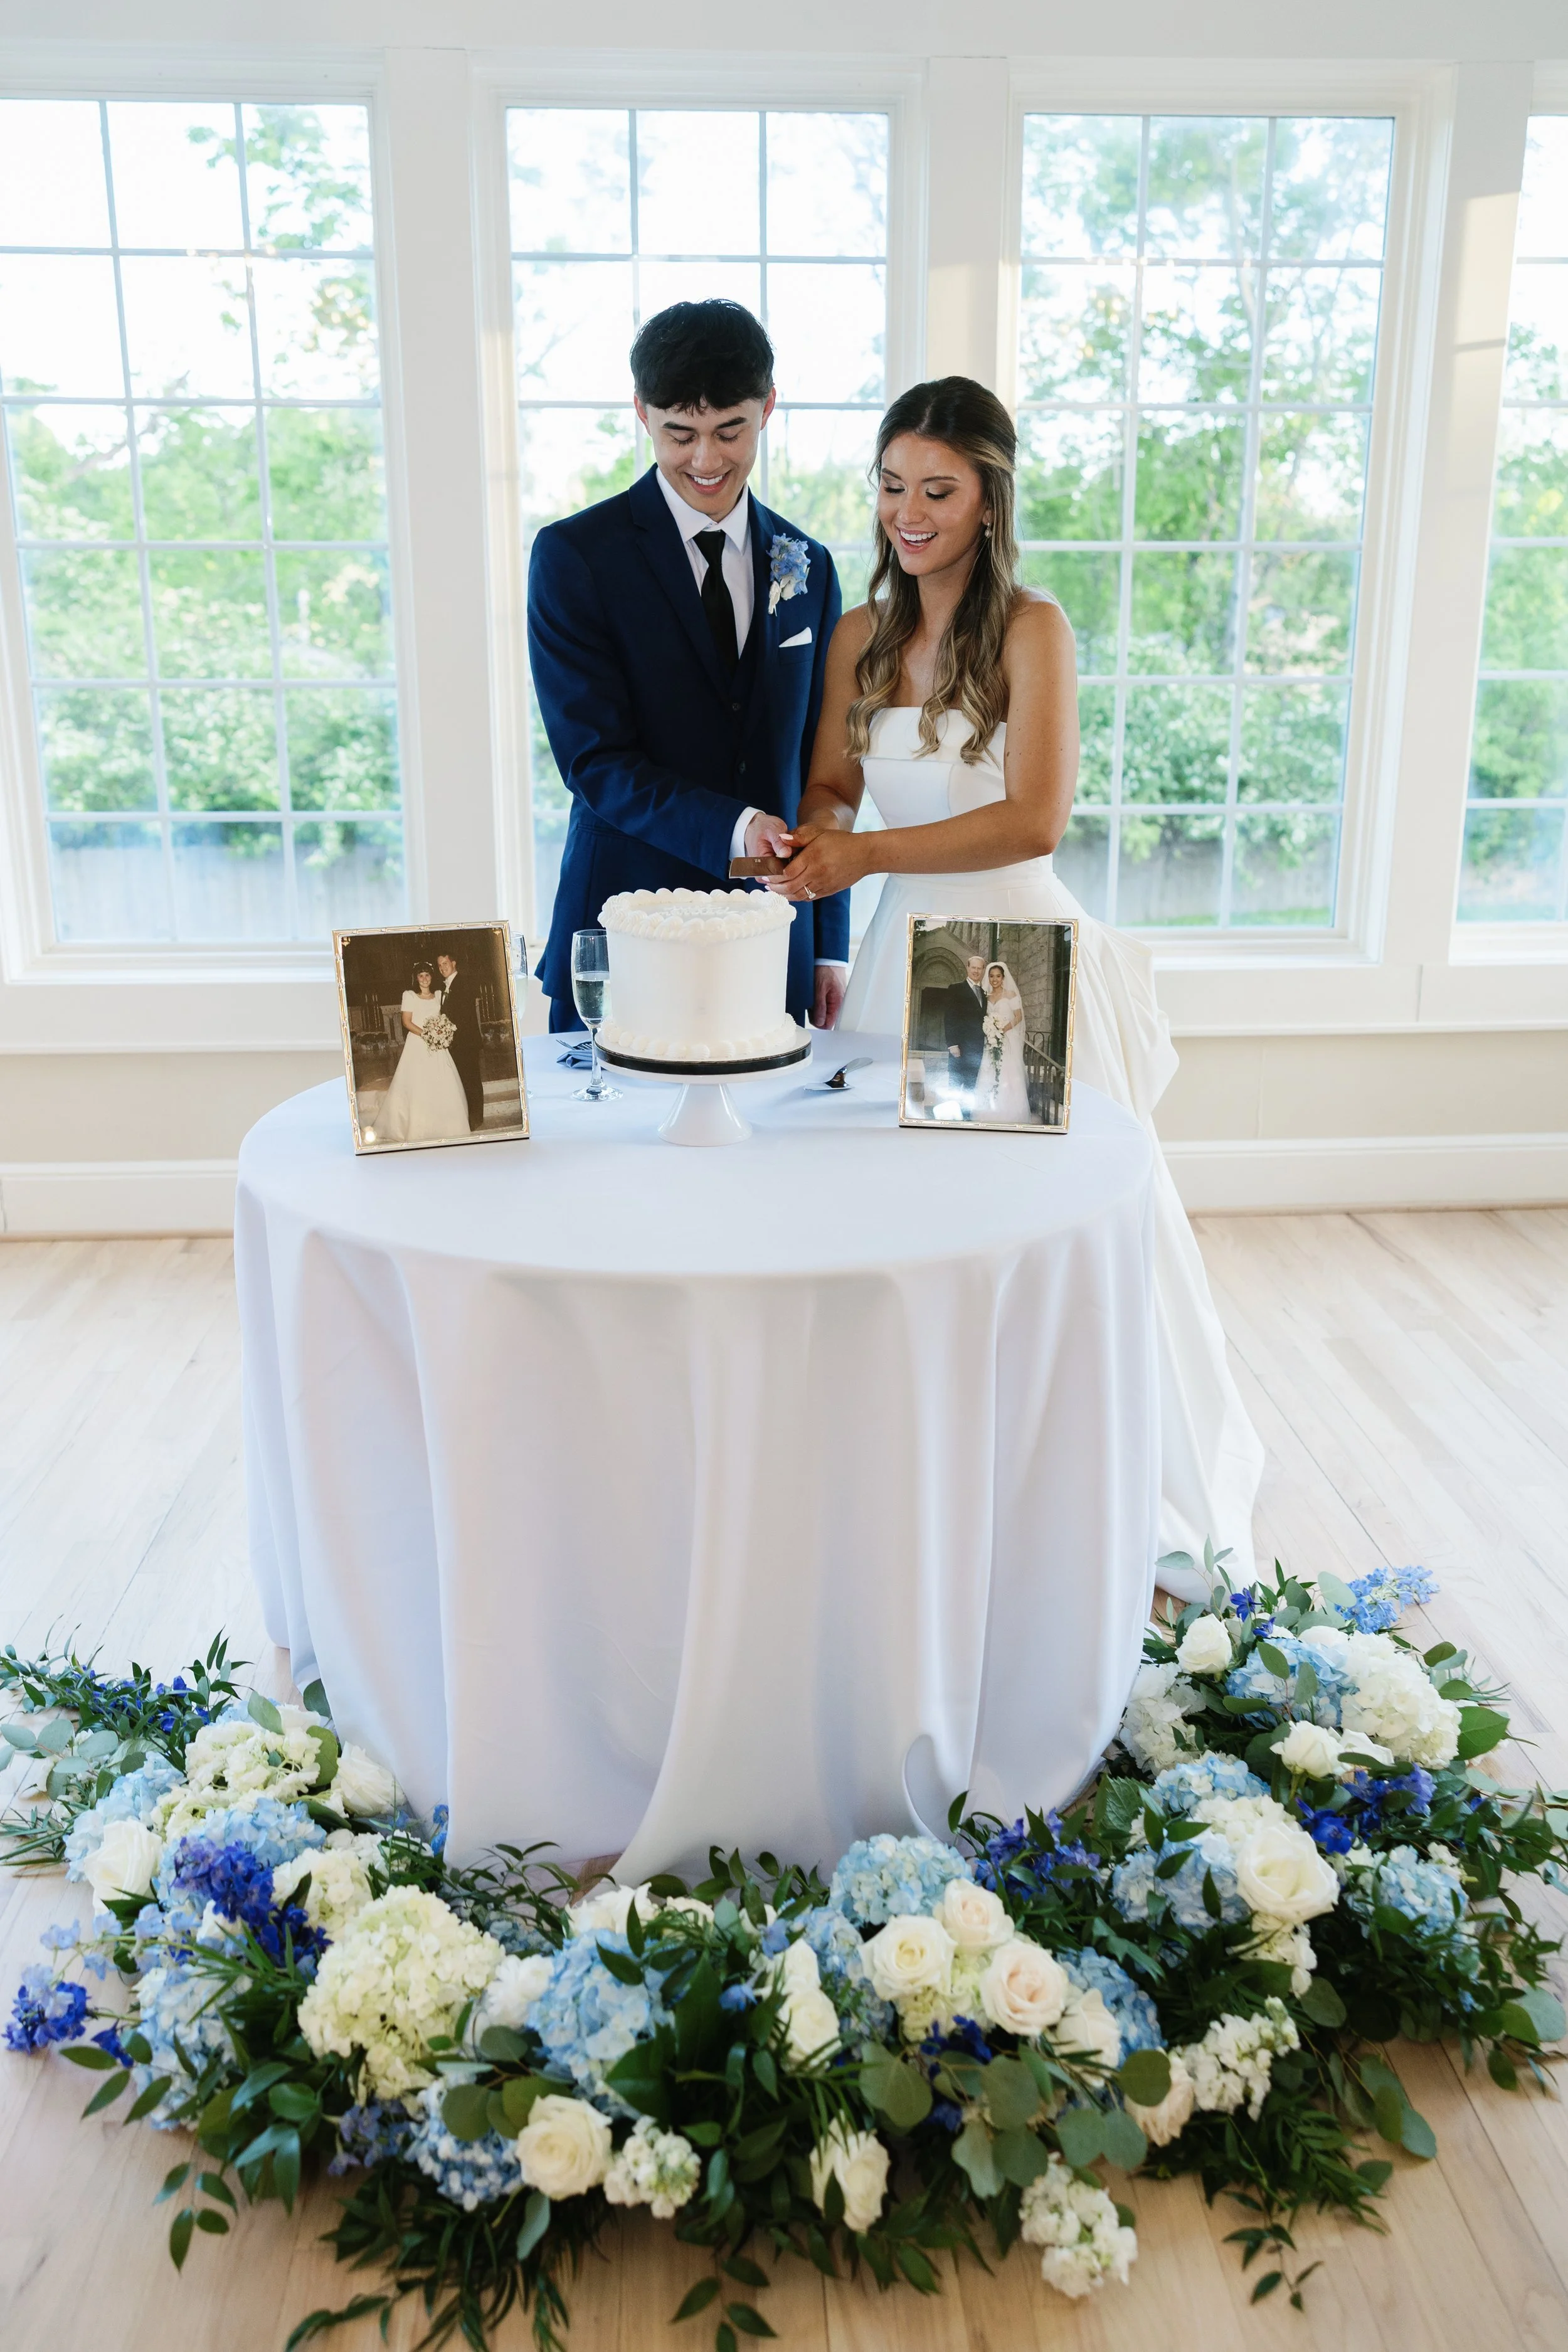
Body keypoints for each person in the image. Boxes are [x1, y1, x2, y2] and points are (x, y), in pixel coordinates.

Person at [771, 375, 1264, 1591]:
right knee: (906, 1238)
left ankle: (1072, 1498)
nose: (907, 513)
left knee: (1043, 1241)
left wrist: (865, 852)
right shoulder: (856, 637)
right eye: (890, 487)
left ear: (989, 500)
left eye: (936, 490)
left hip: (1005, 965)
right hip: (898, 960)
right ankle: (927, 1494)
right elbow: (831, 787)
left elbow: (1032, 820)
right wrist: (819, 834)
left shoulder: (1032, 628)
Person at [527, 299, 849, 1033]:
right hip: (625, 933)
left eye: (730, 430)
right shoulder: (576, 558)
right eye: (680, 433)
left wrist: (828, 943)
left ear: (767, 408)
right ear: (641, 412)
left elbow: (820, 764)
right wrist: (738, 829)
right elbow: (596, 762)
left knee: (772, 1146)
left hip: (775, 939)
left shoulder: (810, 565)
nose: (706, 460)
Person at [379, 960, 470, 1144]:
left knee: (443, 1083)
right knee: (419, 1085)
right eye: (421, 975)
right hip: (418, 1044)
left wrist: (441, 1034)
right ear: (416, 978)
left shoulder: (438, 995)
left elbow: (444, 1017)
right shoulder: (410, 995)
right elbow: (407, 1022)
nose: (425, 979)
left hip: (438, 1046)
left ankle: (447, 1125)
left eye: (428, 974)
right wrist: (428, 1035)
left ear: (432, 977)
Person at [435, 949, 485, 1132]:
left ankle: (476, 1119)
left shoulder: (463, 982)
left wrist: (447, 1029)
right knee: (463, 1082)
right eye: (439, 965)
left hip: (467, 1042)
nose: (442, 968)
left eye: (445, 964)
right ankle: (468, 1117)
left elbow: (463, 1014)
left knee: (471, 1081)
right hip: (456, 1044)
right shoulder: (445, 987)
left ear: (454, 963)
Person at [976, 960, 1030, 1124]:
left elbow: (1019, 1017)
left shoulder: (1010, 995)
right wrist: (990, 1030)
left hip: (1007, 1040)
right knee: (988, 1072)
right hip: (990, 1040)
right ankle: (987, 1113)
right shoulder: (985, 996)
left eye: (998, 976)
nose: (994, 980)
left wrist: (1003, 1030)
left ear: (1003, 978)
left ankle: (1010, 1114)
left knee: (1008, 1074)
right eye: (992, 976)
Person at [944, 953, 989, 1100]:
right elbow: (950, 1017)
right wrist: (953, 1044)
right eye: (973, 968)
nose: (976, 971)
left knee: (970, 1089)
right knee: (955, 1089)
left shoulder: (983, 993)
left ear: (983, 970)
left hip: (976, 1051)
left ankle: (966, 1120)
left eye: (980, 969)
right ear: (967, 968)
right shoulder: (956, 989)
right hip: (960, 1049)